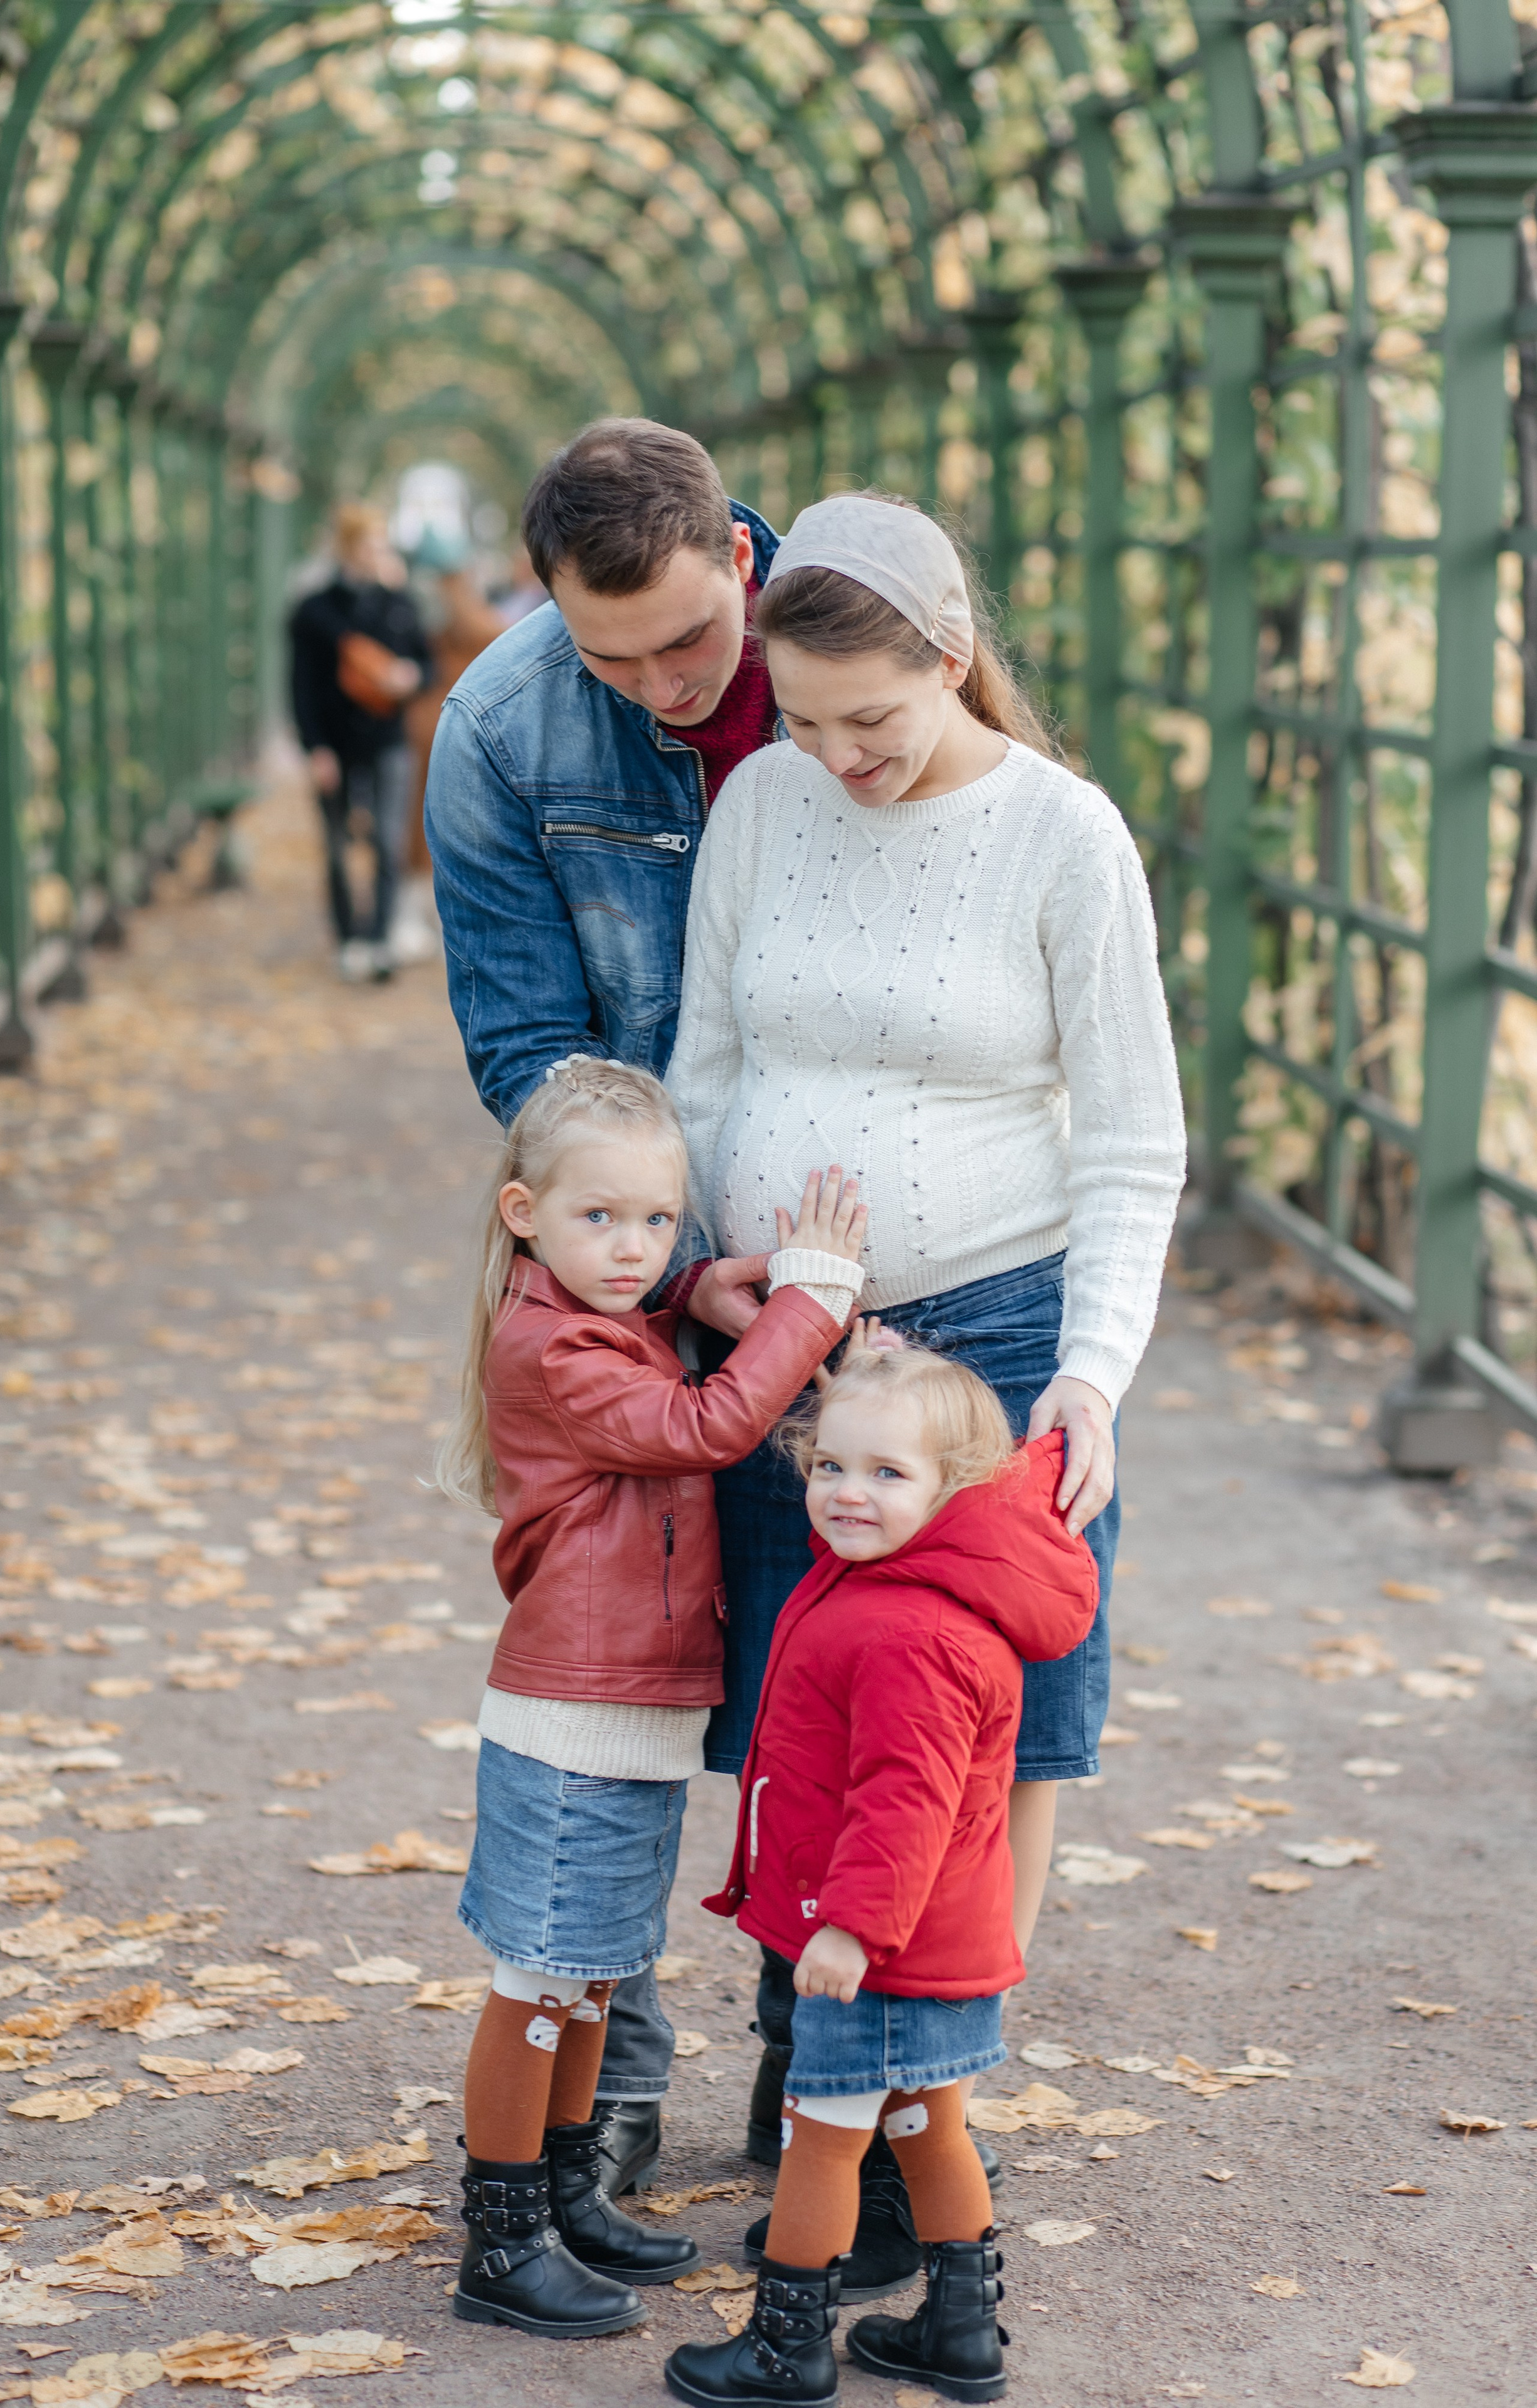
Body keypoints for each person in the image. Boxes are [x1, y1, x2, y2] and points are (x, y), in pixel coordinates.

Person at [665, 490, 1188, 2275]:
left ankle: (924, 2104)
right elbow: (711, 1058)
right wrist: (709, 1267)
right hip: (791, 1347)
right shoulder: (759, 801)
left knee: (989, 1733)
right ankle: (808, 2053)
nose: (836, 757)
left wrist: (1096, 1380)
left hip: (996, 1345)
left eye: (868, 719)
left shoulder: (1063, 836)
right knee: (793, 1694)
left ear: (951, 662)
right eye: (801, 720)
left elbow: (1131, 1141)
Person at [424, 418, 796, 2188]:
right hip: (640, 1269)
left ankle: (828, 2063)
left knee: (831, 1664)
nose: (656, 685)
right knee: (618, 1662)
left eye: (688, 644)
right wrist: (665, 1253)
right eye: (608, 653)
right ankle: (609, 2070)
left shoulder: (860, 659)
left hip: (839, 1246)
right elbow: (525, 1044)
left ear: (742, 557)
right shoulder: (503, 724)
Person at [438, 1057, 867, 2342]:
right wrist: (809, 1299)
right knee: (539, 1978)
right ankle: (501, 2234)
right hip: (572, 1709)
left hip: (629, 1703)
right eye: (596, 1219)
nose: (629, 1249)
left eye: (655, 1223)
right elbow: (702, 1427)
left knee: (595, 1976)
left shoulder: (605, 1311)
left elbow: (640, 1314)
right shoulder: (547, 1344)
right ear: (524, 1215)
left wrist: (691, 1285)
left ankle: (567, 2190)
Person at [663, 1339, 1099, 2407]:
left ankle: (788, 2343)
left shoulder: (912, 1627)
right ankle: (960, 2331)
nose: (848, 1494)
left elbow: (908, 1800)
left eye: (888, 1474)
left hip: (886, 1950)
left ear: (956, 1491)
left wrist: (852, 1928)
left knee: (823, 2139)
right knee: (925, 2123)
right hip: (941, 1941)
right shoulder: (892, 1580)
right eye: (831, 1467)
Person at [288, 502, 432, 983]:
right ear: (349, 548)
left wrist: (409, 676)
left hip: (388, 736)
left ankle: (378, 938)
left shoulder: (396, 603)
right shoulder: (314, 611)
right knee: (336, 846)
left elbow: (424, 664)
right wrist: (315, 749)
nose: (380, 553)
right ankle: (349, 936)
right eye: (372, 544)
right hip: (335, 740)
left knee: (388, 841)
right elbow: (301, 685)